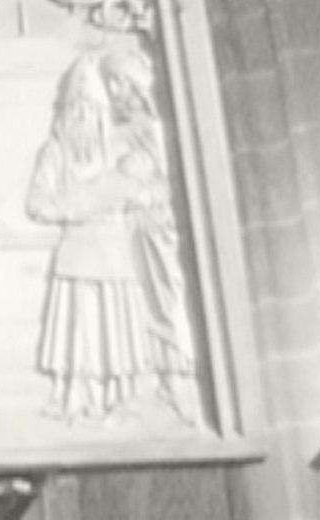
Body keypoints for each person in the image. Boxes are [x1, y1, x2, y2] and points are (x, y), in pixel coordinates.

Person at [26, 55, 154, 423]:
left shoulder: (118, 152)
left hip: (114, 252)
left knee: (115, 324)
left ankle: (119, 395)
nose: (82, 116)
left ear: (101, 113)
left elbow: (142, 193)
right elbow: (37, 202)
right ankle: (75, 395)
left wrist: (129, 196)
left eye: (89, 108)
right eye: (75, 108)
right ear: (65, 114)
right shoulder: (54, 152)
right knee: (78, 326)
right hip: (76, 252)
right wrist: (75, 208)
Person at [102, 50, 197, 419]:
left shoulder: (158, 131)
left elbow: (179, 181)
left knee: (168, 301)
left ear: (136, 85)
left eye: (119, 81)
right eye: (109, 82)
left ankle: (180, 381)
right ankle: (156, 381)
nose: (114, 91)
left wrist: (148, 192)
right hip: (131, 230)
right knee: (139, 306)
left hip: (160, 230)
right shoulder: (115, 132)